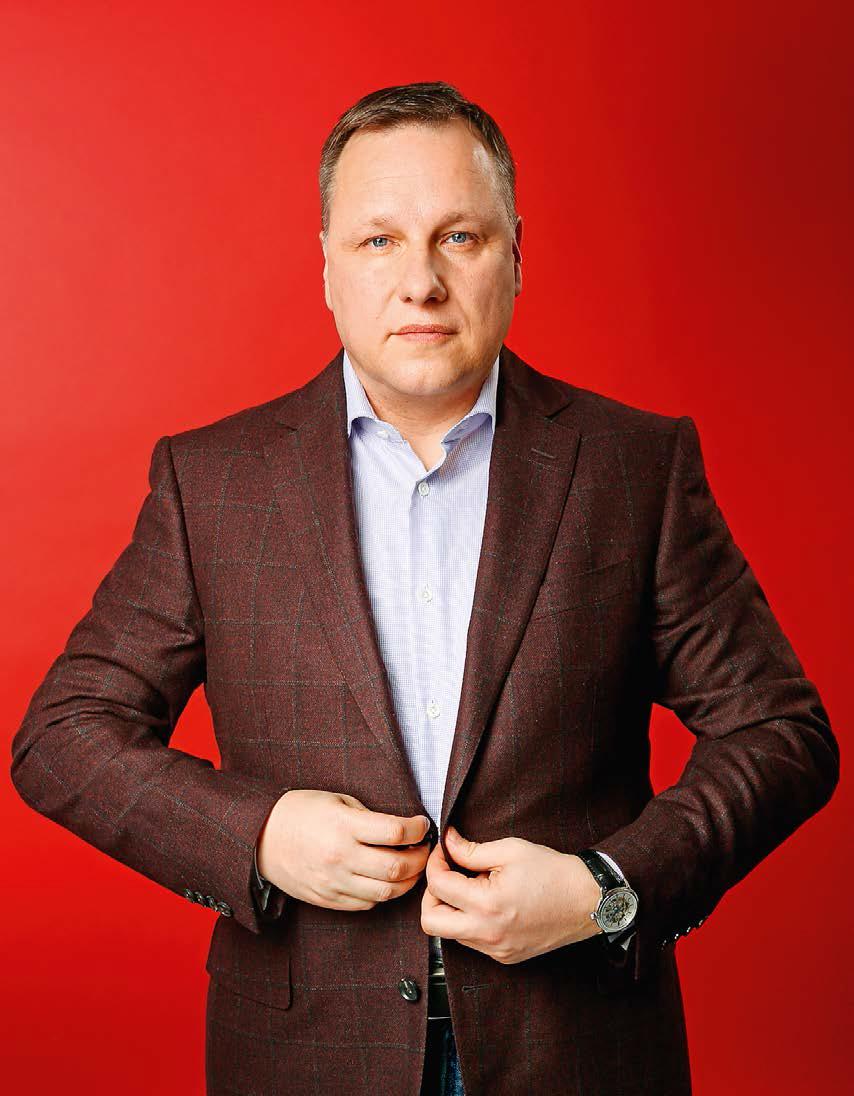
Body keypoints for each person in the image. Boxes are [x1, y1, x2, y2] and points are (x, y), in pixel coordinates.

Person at [10, 80, 839, 1096]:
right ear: (325, 267)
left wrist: (605, 890)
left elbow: (780, 732)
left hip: (578, 1050)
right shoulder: (213, 482)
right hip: (306, 1058)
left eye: (458, 237)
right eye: (379, 241)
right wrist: (259, 837)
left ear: (515, 255)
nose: (421, 282)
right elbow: (63, 735)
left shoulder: (633, 467)